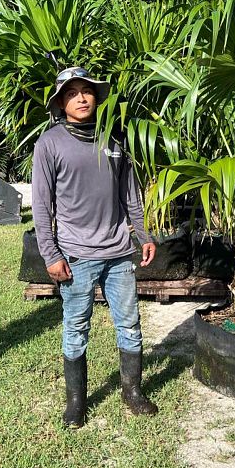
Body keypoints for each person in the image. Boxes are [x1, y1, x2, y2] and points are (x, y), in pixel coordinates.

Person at [32, 66, 159, 426]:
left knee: (130, 323)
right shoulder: (50, 144)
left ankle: (132, 391)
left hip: (118, 252)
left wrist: (143, 234)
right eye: (72, 93)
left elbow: (130, 194)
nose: (82, 98)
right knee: (76, 327)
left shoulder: (115, 141)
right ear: (61, 103)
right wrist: (51, 255)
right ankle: (76, 400)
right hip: (76, 254)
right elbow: (41, 205)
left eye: (86, 91)